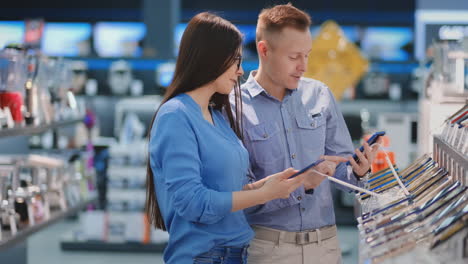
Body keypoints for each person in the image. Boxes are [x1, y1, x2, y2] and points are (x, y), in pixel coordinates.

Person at [144, 12, 319, 264]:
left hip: (237, 255)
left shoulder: (218, 116)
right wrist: (264, 194)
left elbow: (227, 194)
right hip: (203, 257)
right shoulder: (175, 116)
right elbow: (193, 203)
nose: (240, 71)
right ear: (211, 58)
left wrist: (272, 186)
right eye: (235, 61)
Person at [231, 4, 380, 264]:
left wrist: (358, 171)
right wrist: (301, 185)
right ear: (264, 50)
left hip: (325, 247)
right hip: (267, 250)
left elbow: (342, 168)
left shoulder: (320, 95)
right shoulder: (235, 107)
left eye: (307, 55)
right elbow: (237, 196)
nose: (303, 66)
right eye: (294, 57)